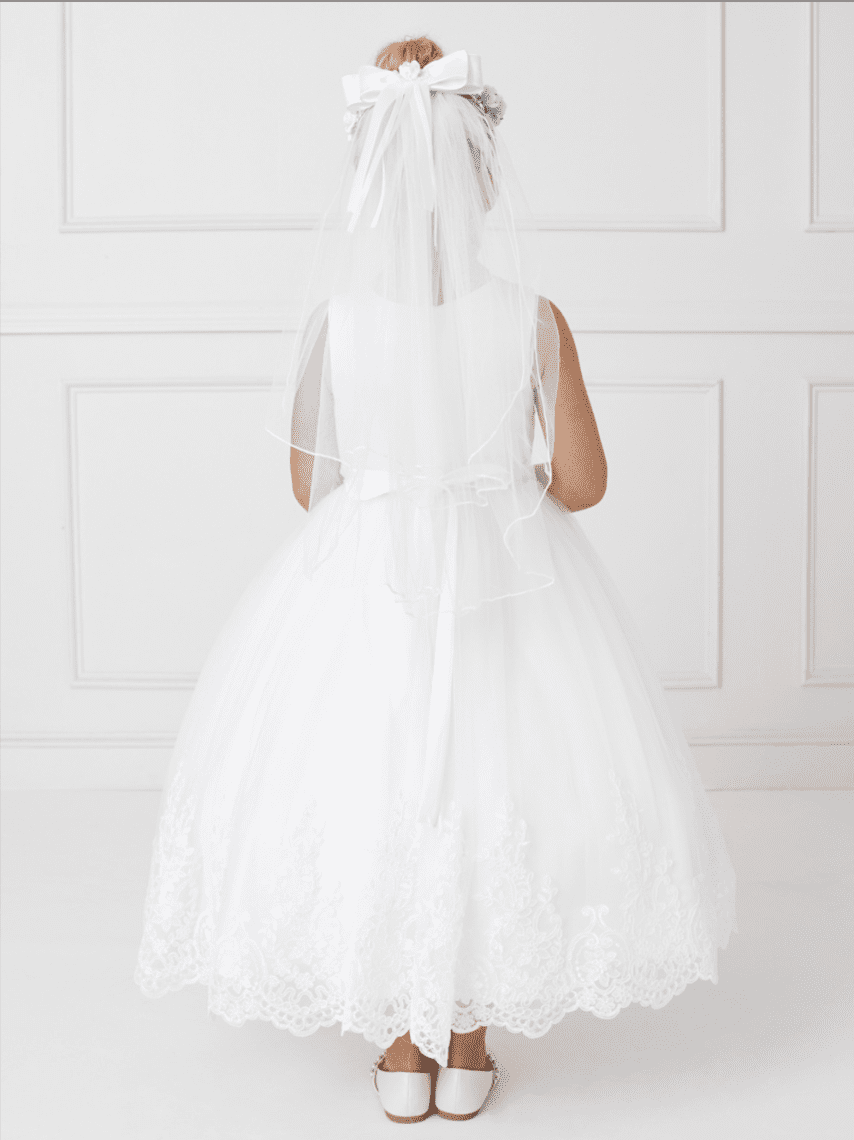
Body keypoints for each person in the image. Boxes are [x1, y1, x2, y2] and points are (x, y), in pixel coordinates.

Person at [135, 35, 738, 1125]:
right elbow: (584, 481)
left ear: (367, 181)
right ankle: (467, 1046)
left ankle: (400, 1051)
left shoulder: (335, 324)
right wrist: (496, 482)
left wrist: (396, 479)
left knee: (377, 776)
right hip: (507, 582)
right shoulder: (531, 319)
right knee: (493, 778)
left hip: (367, 586)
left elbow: (310, 484)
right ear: (487, 181)